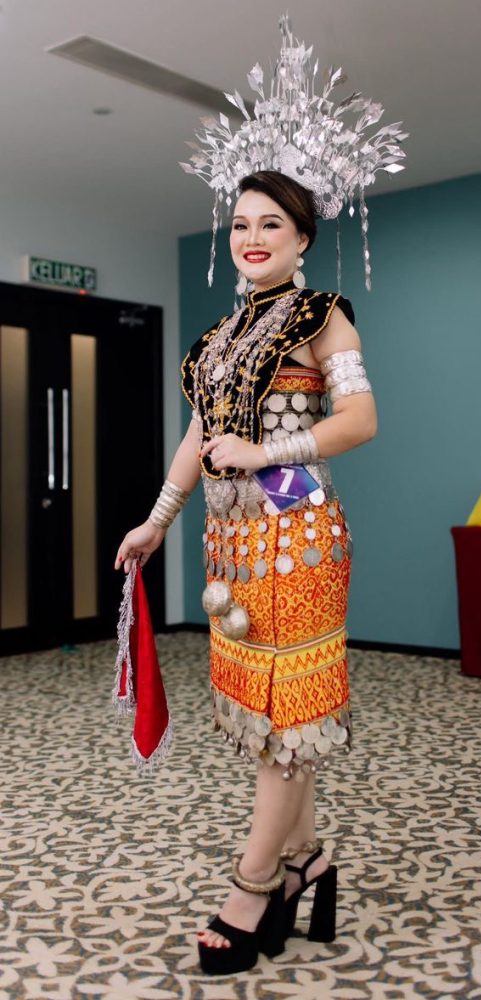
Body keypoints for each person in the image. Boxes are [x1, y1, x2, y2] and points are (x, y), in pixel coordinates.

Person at [115, 169, 377, 974]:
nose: (252, 237)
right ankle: (307, 863)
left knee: (286, 723)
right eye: (239, 224)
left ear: (302, 240)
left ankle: (252, 886)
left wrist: (267, 452)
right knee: (270, 722)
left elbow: (359, 420)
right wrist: (158, 520)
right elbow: (198, 439)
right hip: (230, 550)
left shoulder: (322, 317)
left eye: (271, 224)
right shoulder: (217, 340)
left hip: (299, 543)